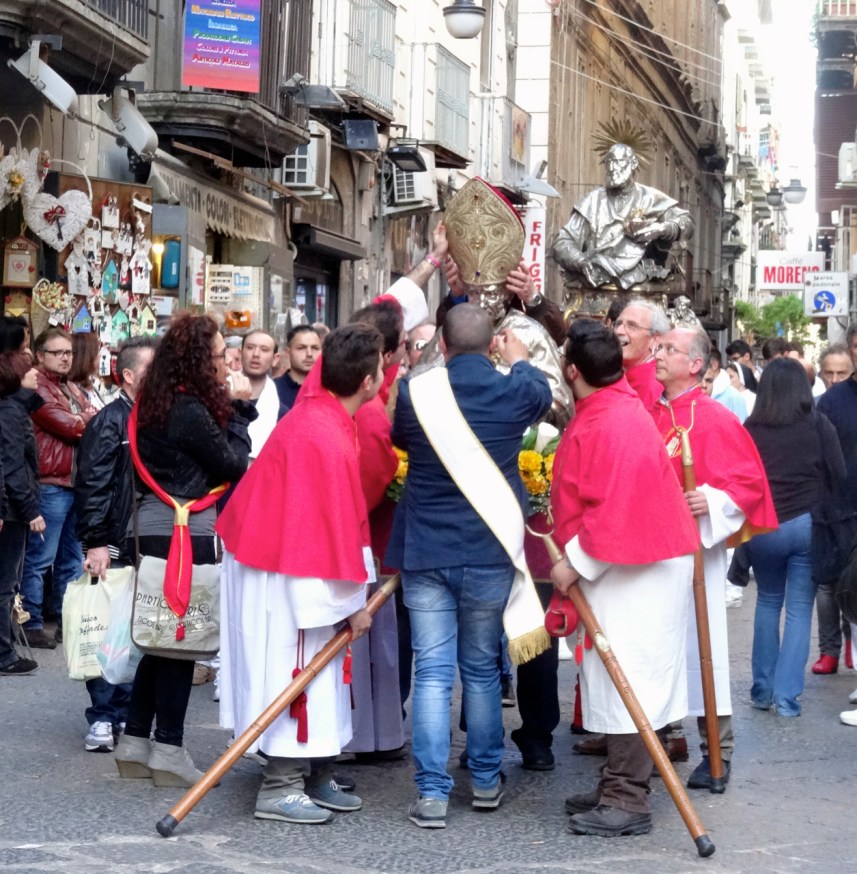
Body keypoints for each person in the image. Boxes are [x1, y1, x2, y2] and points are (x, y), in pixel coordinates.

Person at [387, 303, 553, 829]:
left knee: (433, 672)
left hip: (427, 549)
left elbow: (400, 440)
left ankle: (432, 793)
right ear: (491, 345)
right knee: (481, 669)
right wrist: (520, 357)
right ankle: (484, 780)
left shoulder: (418, 393)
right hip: (488, 548)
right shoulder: (514, 390)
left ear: (444, 344)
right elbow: (542, 392)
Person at [216, 323, 384, 824]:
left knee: (323, 675)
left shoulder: (324, 418)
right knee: (295, 673)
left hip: (287, 561)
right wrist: (350, 607)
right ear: (370, 382)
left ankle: (314, 769)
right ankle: (281, 783)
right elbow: (323, 534)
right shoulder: (323, 434)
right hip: (286, 572)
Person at [550, 319, 698, 837]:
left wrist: (575, 564)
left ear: (572, 371)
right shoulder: (611, 407)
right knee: (617, 680)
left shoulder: (612, 421)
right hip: (630, 564)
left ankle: (627, 798)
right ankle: (617, 780)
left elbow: (611, 508)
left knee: (630, 680)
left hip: (636, 567)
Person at [112, 314, 255, 787]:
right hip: (185, 529)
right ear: (198, 359)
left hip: (153, 523)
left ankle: (135, 741)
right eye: (217, 356)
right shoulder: (189, 408)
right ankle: (169, 747)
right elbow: (233, 465)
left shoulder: (154, 401)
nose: (223, 364)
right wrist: (239, 410)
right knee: (181, 642)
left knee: (159, 636)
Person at [650, 326, 776, 790]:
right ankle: (660, 741)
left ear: (696, 364)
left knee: (704, 654)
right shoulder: (651, 413)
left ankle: (717, 753)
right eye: (658, 348)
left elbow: (748, 483)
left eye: (669, 350)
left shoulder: (716, 417)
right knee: (659, 650)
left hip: (696, 554)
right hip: (653, 555)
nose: (658, 356)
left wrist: (713, 501)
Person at [743, 358, 841, 717]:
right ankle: (787, 699)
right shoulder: (818, 424)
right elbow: (838, 472)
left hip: (763, 525)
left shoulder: (751, 428)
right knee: (800, 610)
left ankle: (761, 690)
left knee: (768, 601)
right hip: (806, 523)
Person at [73, 337, 157, 752]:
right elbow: (92, 485)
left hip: (146, 542)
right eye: (151, 368)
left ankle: (125, 711)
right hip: (115, 540)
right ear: (127, 375)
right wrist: (96, 542)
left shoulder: (154, 418)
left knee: (135, 633)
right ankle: (103, 716)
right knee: (106, 631)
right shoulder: (109, 422)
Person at [20, 328, 96, 649]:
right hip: (51, 482)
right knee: (40, 558)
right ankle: (32, 622)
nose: (66, 358)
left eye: (69, 353)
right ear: (40, 356)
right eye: (58, 353)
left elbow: (84, 422)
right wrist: (88, 418)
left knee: (71, 559)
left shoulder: (72, 388)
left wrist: (85, 418)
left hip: (74, 482)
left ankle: (66, 621)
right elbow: (70, 426)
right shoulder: (36, 384)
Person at [551, 143, 694, 291]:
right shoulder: (592, 201)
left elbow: (687, 224)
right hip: (595, 283)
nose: (612, 168)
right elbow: (561, 242)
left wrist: (662, 229)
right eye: (609, 162)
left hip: (638, 286)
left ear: (633, 164)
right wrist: (581, 262)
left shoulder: (650, 198)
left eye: (619, 162)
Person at [815, 323, 857, 675]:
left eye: (839, 372)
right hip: (835, 505)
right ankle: (828, 648)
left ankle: (850, 647)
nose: (834, 378)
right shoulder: (828, 403)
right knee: (829, 583)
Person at [0, 351, 44, 676]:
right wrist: (29, 509)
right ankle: (4, 653)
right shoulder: (10, 413)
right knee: (5, 583)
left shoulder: (15, 410)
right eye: (30, 369)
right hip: (11, 509)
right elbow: (13, 466)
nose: (36, 374)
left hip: (13, 507)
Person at [613, 299, 669, 409]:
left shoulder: (652, 385)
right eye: (618, 324)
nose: (619, 331)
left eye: (632, 326)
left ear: (655, 340)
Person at [240, 329, 286, 459]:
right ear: (240, 353)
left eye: (264, 350)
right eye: (250, 348)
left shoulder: (281, 413)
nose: (256, 354)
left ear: (275, 359)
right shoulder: (217, 396)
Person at [273, 326, 322, 410]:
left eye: (315, 348)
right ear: (288, 352)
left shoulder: (332, 390)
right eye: (301, 348)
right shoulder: (272, 390)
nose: (309, 354)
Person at [702, 351, 747, 422]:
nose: (703, 385)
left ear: (714, 364)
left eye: (708, 380)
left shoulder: (734, 396)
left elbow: (741, 429)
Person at [69, 331, 108, 410]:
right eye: (97, 351)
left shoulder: (89, 383)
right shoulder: (74, 393)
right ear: (88, 357)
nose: (100, 355)